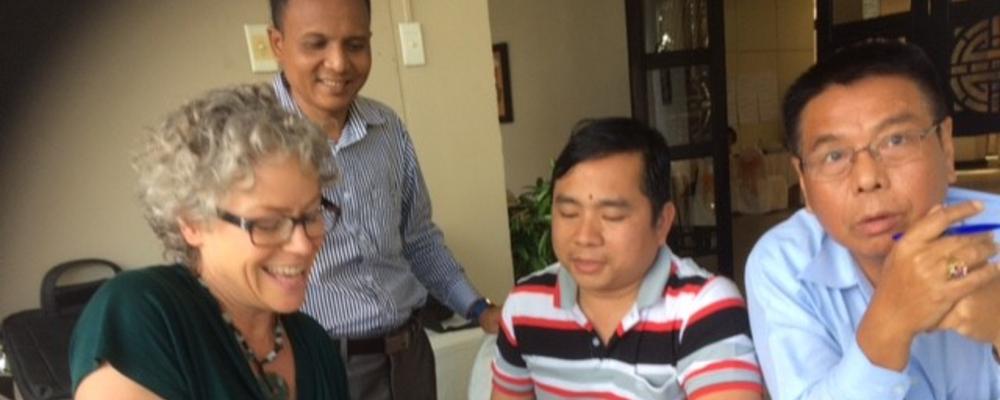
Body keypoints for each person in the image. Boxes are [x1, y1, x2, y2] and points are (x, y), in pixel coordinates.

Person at [266, 0, 500, 398]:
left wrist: (477, 308)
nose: (339, 63)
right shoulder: (250, 138)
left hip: (408, 357)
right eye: (316, 44)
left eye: (355, 44)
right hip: (315, 365)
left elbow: (419, 239)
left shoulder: (387, 128)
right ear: (278, 43)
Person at [745, 39, 1000, 399]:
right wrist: (889, 323)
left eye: (895, 140)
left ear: (946, 146)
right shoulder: (784, 264)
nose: (867, 179)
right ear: (803, 182)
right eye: (834, 156)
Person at [69, 83, 350, 399]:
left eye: (311, 215)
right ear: (191, 222)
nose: (302, 244)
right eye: (268, 223)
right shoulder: (142, 313)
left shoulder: (314, 345)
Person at [491, 118, 763, 399]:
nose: (584, 237)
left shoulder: (703, 309)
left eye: (612, 216)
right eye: (569, 213)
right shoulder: (526, 305)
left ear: (662, 223)